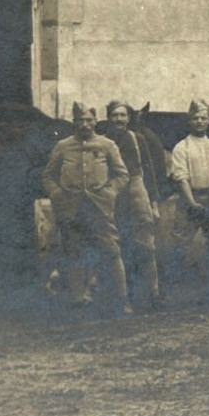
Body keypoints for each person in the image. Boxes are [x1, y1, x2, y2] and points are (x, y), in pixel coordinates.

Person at [41, 102, 131, 314]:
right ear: (74, 123)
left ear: (96, 122)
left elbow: (122, 174)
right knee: (74, 252)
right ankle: (77, 299)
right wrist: (56, 193)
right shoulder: (63, 146)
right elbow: (47, 176)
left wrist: (110, 192)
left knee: (111, 251)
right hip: (70, 208)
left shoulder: (107, 145)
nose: (85, 124)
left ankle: (121, 300)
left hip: (98, 208)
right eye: (80, 120)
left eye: (89, 120)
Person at [100, 100, 163, 309]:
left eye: (122, 115)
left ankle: (153, 294)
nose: (119, 119)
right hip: (113, 195)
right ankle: (122, 299)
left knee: (146, 246)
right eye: (115, 115)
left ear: (128, 118)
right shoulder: (103, 142)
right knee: (117, 247)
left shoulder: (138, 140)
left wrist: (153, 203)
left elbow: (149, 172)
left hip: (136, 192)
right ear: (108, 118)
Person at [167, 98, 209, 302]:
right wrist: (192, 203)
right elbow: (181, 177)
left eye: (203, 118)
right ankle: (174, 294)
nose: (200, 122)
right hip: (189, 200)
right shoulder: (181, 148)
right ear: (189, 121)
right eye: (195, 118)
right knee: (180, 245)